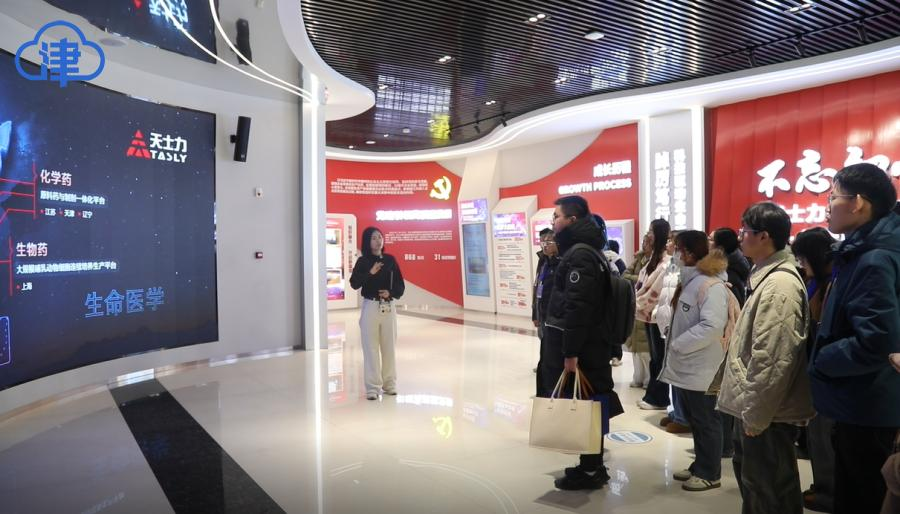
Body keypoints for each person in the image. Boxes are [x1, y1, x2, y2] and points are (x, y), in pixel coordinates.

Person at [808, 163, 900, 514]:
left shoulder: (874, 258)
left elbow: (877, 341)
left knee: (861, 497)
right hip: (868, 400)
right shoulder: (869, 250)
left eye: (832, 197)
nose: (827, 206)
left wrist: (822, 358)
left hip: (867, 405)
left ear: (858, 203)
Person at [715, 201, 814, 514]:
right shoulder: (766, 276)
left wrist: (756, 415)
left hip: (767, 412)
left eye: (745, 230)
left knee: (768, 491)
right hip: (757, 407)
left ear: (764, 236)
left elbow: (773, 359)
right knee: (762, 487)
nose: (740, 236)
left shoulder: (779, 285)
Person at [542, 196, 624, 491]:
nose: (553, 222)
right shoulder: (587, 251)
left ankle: (590, 470)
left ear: (572, 220)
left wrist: (571, 352)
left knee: (589, 405)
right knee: (591, 403)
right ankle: (591, 465)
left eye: (557, 216)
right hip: (592, 344)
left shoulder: (580, 256)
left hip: (587, 347)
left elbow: (578, 307)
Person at [659, 230, 729, 491]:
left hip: (703, 367)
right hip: (688, 366)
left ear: (687, 252)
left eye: (677, 247)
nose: (673, 252)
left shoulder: (710, 285)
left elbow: (712, 326)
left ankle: (710, 473)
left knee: (706, 421)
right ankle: (700, 465)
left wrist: (679, 344)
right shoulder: (690, 280)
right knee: (697, 421)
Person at [792, 227, 837, 512]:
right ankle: (822, 486)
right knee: (818, 434)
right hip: (815, 367)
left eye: (803, 258)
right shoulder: (816, 281)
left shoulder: (835, 281)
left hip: (826, 371)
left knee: (825, 435)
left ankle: (828, 492)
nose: (800, 264)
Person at [709, 226, 752, 457]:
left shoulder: (730, 273)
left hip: (724, 340)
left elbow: (728, 313)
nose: (708, 243)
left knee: (721, 393)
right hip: (726, 338)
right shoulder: (733, 267)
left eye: (711, 239)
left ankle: (724, 445)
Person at [349, 227, 406, 401]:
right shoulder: (363, 261)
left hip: (388, 307)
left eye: (380, 237)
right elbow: (354, 283)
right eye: (374, 238)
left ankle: (390, 384)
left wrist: (391, 293)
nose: (378, 241)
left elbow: (400, 285)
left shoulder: (390, 260)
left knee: (389, 347)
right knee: (371, 348)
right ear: (367, 241)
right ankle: (372, 387)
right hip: (371, 306)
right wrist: (370, 273)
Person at [653, 230, 691, 433]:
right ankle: (676, 412)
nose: (668, 244)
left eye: (672, 242)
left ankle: (683, 417)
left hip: (678, 328)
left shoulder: (688, 271)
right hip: (667, 324)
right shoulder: (671, 265)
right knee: (670, 371)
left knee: (679, 374)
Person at [634, 219, 673, 410]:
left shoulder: (667, 262)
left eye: (651, 231)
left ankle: (659, 398)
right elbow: (641, 282)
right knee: (654, 357)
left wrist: (638, 302)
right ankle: (652, 395)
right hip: (647, 313)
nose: (648, 234)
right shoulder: (653, 258)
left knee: (659, 358)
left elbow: (654, 289)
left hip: (658, 314)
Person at [533, 229, 559, 397]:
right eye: (543, 242)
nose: (545, 245)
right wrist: (535, 312)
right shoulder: (543, 261)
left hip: (554, 315)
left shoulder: (561, 263)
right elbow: (537, 286)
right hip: (542, 310)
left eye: (549, 242)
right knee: (544, 346)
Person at [623, 234, 651, 388]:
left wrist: (639, 280)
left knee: (646, 348)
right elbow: (625, 275)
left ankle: (648, 379)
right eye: (643, 242)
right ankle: (638, 377)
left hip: (647, 306)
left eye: (647, 242)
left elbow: (648, 281)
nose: (644, 245)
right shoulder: (638, 259)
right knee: (635, 347)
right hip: (635, 303)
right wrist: (639, 279)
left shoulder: (657, 261)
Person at [710, 227, 751, 307]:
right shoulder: (733, 263)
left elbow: (736, 307)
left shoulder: (729, 275)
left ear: (720, 247)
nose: (706, 242)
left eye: (710, 239)